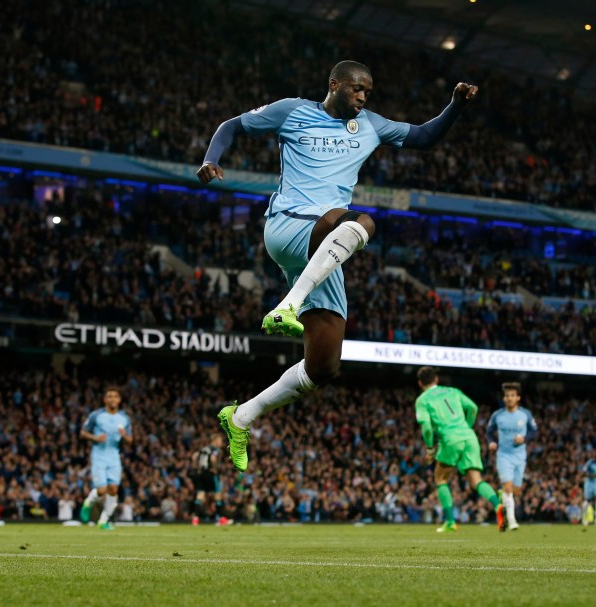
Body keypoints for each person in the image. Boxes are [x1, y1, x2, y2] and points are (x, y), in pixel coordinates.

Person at [197, 60, 479, 471]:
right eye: (357, 90)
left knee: (323, 366)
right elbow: (231, 126)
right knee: (360, 221)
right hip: (288, 227)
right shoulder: (292, 110)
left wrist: (454, 105)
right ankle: (287, 306)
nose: (363, 98)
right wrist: (211, 158)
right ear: (335, 85)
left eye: (368, 92)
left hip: (328, 248)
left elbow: (424, 137)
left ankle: (241, 417)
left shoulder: (371, 125)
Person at [413, 366, 504, 532]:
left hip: (449, 438)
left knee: (440, 478)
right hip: (469, 437)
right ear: (436, 380)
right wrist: (467, 427)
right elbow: (473, 408)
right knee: (476, 480)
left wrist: (430, 448)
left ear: (420, 383)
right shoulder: (453, 391)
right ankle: (498, 505)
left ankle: (450, 522)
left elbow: (426, 427)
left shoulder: (422, 400)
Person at [79, 386, 133, 530]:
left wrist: (124, 436)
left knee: (114, 489)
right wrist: (95, 437)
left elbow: (130, 440)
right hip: (98, 454)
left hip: (114, 455)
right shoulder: (96, 415)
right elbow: (83, 433)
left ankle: (103, 521)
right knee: (102, 490)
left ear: (119, 400)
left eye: (115, 396)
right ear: (105, 399)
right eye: (109, 396)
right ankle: (88, 503)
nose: (112, 399)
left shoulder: (124, 418)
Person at [487, 382, 538, 531]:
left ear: (518, 398)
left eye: (512, 395)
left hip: (520, 456)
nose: (509, 398)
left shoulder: (525, 414)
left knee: (515, 490)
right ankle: (511, 521)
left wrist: (525, 439)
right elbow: (489, 431)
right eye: (507, 396)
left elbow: (534, 431)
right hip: (503, 455)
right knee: (509, 488)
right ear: (504, 398)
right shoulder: (497, 415)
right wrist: (491, 442)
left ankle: (503, 494)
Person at [192, 435, 222, 520]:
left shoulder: (203, 449)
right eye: (220, 441)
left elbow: (194, 457)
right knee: (217, 494)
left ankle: (195, 518)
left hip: (200, 473)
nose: (221, 443)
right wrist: (214, 468)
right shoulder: (215, 450)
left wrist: (196, 467)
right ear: (214, 440)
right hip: (210, 473)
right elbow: (213, 459)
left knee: (200, 494)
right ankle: (220, 518)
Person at [581, 450, 596, 526]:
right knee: (587, 500)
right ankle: (585, 518)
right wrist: (592, 475)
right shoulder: (590, 463)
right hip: (589, 483)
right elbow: (584, 472)